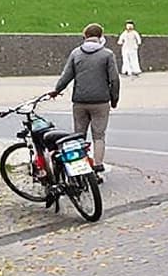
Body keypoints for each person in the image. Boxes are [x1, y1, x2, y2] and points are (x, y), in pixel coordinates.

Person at [47, 22, 121, 173]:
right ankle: (98, 164)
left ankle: (80, 166)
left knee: (79, 135)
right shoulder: (107, 55)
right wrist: (114, 99)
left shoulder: (76, 53)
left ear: (84, 36)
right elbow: (114, 79)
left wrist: (56, 90)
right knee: (99, 135)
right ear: (100, 36)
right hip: (101, 101)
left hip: (80, 101)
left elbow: (66, 76)